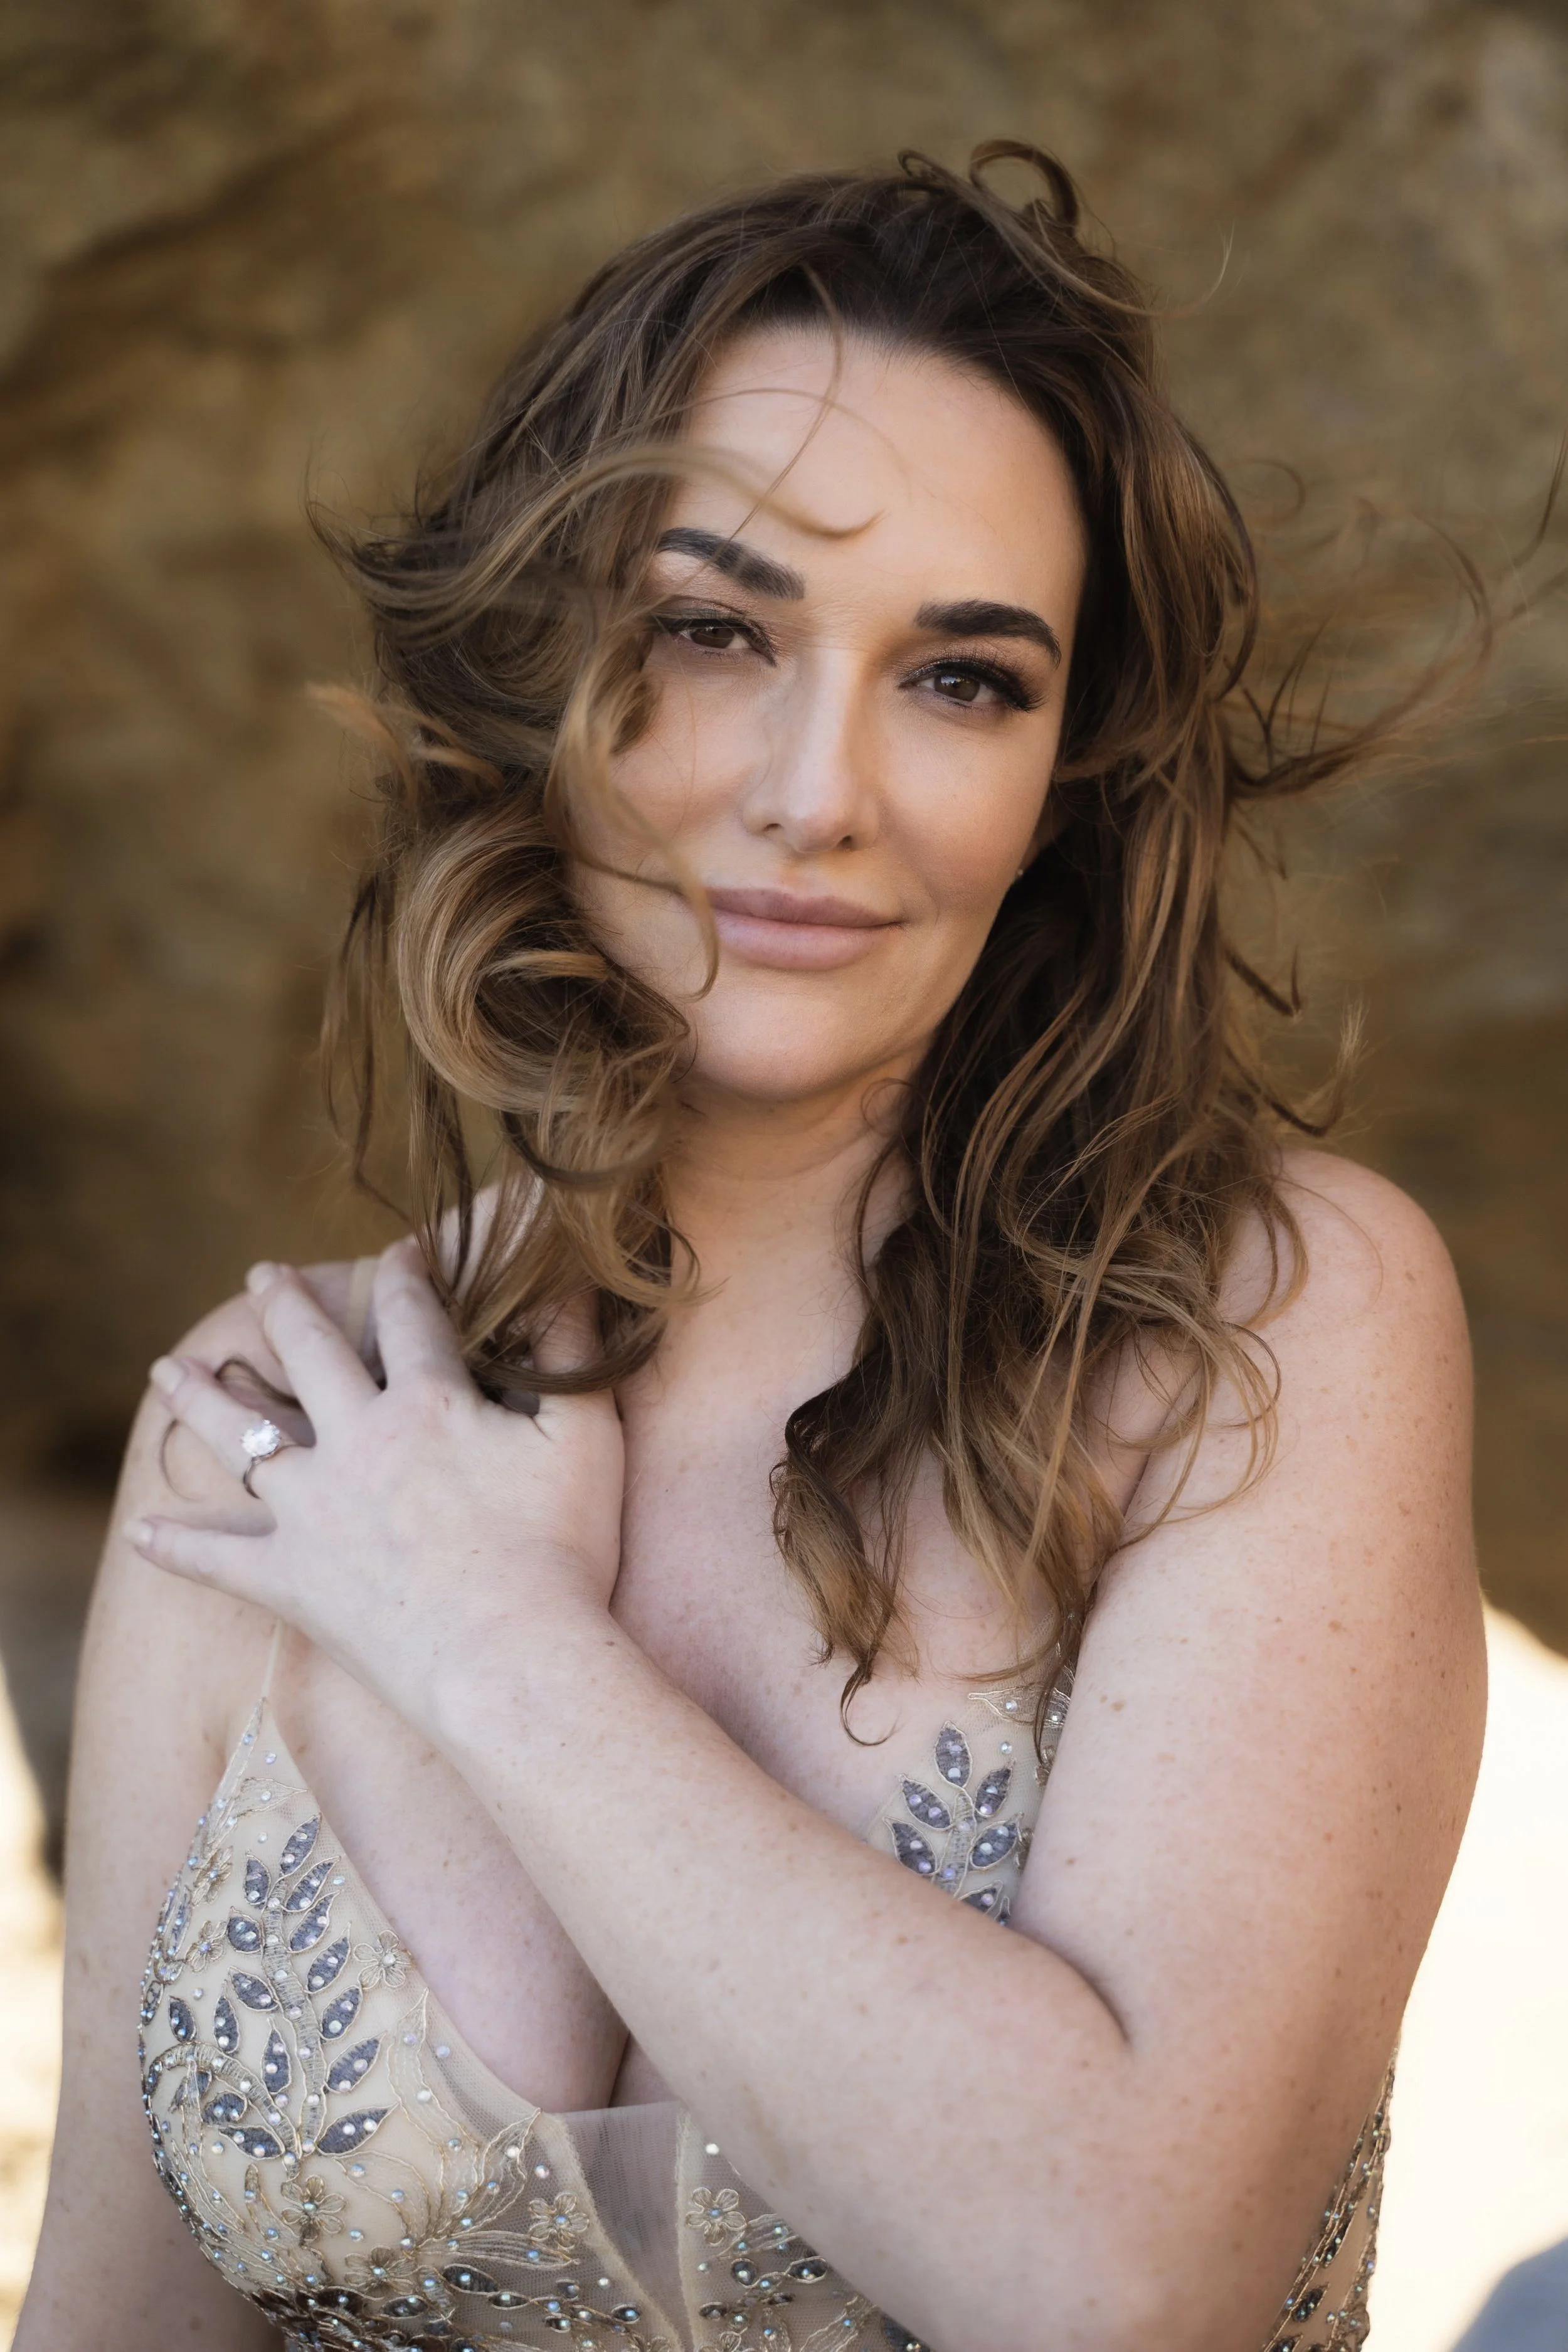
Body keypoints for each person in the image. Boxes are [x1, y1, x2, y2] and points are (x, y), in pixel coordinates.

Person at [18, 147, 1482, 2352]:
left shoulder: (1262, 1327)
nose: (818, 792)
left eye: (961, 677)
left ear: (1066, 779)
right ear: (544, 661)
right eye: (713, 630)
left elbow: (1113, 2282)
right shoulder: (271, 1423)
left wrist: (487, 1633)